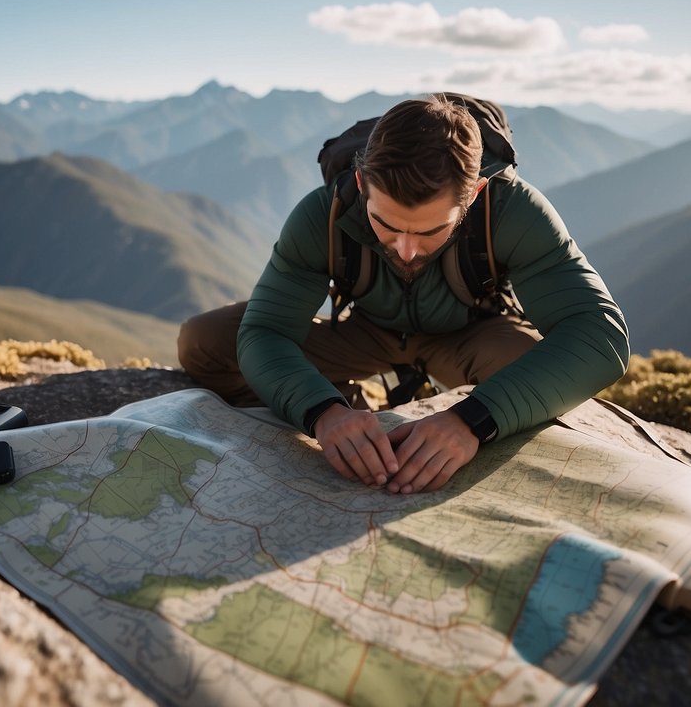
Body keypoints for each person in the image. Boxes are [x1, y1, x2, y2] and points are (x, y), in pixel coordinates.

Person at [178, 94, 629, 494]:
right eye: (386, 224)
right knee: (207, 340)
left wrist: (471, 421)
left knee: (532, 370)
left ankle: (444, 431)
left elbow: (600, 337)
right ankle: (350, 405)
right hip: (365, 333)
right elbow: (266, 331)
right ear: (361, 186)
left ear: (473, 194)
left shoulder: (514, 210)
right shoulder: (323, 214)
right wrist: (323, 412)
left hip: (468, 338)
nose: (407, 250)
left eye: (432, 230)